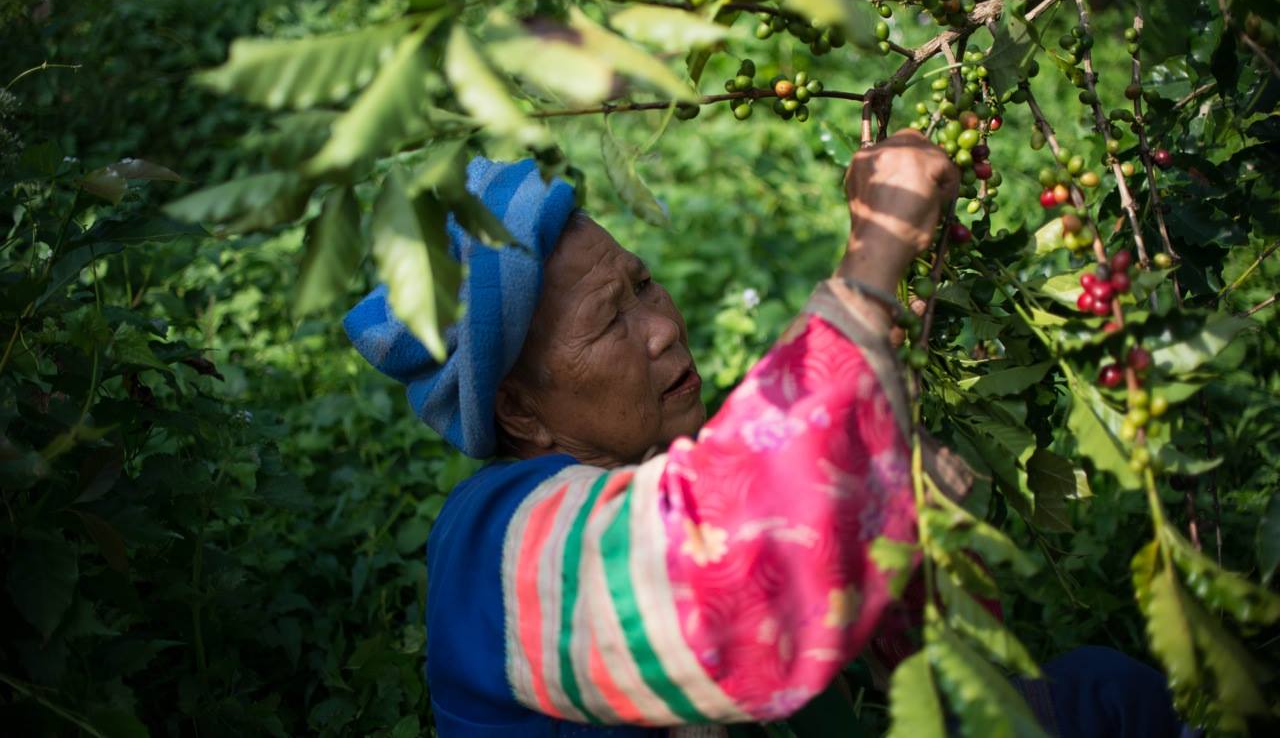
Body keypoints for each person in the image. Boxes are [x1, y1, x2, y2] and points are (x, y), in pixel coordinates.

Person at [344, 133, 1183, 736]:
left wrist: (894, 511)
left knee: (1099, 695)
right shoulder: (490, 542)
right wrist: (874, 263)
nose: (662, 329)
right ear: (519, 411)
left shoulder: (665, 469)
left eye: (642, 285)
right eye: (609, 322)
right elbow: (715, 581)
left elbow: (895, 660)